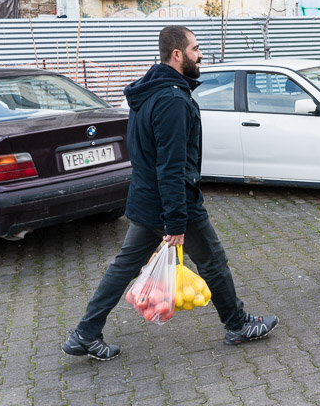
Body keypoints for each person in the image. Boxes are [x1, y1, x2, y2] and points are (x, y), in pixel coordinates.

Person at [63, 26, 277, 361]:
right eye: (195, 48)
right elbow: (172, 166)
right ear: (177, 54)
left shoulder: (149, 91)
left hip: (148, 199)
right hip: (174, 203)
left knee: (124, 266)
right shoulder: (172, 100)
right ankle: (236, 324)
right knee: (213, 261)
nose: (200, 54)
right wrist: (175, 221)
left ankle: (85, 333)